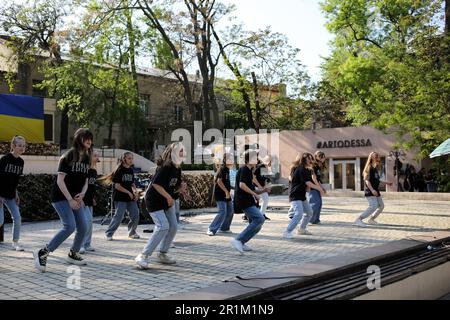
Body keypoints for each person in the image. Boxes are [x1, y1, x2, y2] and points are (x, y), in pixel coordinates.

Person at [33, 128, 92, 272]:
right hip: (61, 197)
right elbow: (60, 181)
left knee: (83, 226)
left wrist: (82, 194)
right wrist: (70, 199)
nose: (89, 141)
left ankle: (73, 253)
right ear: (79, 139)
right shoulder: (68, 156)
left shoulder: (87, 158)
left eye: (90, 138)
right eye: (86, 138)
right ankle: (43, 252)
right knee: (70, 226)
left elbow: (86, 180)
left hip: (75, 198)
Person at [135, 142, 188, 269]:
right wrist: (169, 196)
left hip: (166, 201)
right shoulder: (166, 167)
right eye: (180, 151)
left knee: (173, 226)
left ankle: (162, 253)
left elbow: (172, 187)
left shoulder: (177, 168)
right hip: (154, 201)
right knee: (163, 226)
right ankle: (143, 255)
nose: (183, 153)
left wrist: (181, 190)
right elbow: (156, 185)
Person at [230, 150, 269, 254]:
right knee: (260, 218)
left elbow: (251, 188)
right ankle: (238, 239)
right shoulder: (244, 169)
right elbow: (242, 185)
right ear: (249, 159)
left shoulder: (249, 171)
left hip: (248, 200)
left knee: (258, 224)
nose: (257, 159)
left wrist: (262, 191)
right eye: (255, 157)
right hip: (243, 200)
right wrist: (255, 194)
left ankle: (242, 242)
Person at [283, 153, 324, 239]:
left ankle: (302, 229)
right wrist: (319, 188)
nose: (311, 160)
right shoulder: (300, 169)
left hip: (302, 195)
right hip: (295, 194)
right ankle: (287, 231)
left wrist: (308, 190)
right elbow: (307, 182)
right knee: (299, 213)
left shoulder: (307, 169)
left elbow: (308, 183)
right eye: (309, 159)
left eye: (311, 158)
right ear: (304, 160)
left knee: (309, 212)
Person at [101, 152, 140, 241]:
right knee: (119, 216)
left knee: (135, 214)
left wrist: (135, 192)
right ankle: (109, 233)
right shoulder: (119, 170)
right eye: (129, 158)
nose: (131, 160)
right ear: (124, 159)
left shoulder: (130, 170)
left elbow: (132, 183)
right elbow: (117, 186)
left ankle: (132, 232)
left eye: (132, 158)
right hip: (120, 197)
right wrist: (128, 193)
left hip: (130, 197)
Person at [0, 135, 26, 251]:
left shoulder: (21, 162)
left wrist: (16, 194)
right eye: (19, 145)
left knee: (17, 217)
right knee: (0, 220)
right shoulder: (4, 159)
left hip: (11, 195)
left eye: (23, 145)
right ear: (13, 146)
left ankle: (15, 243)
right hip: (0, 195)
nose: (22, 147)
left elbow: (15, 180)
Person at [354, 152, 393, 227]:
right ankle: (359, 219)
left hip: (376, 190)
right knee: (373, 206)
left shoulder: (375, 168)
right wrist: (372, 190)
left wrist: (387, 183)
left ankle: (371, 219)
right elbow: (366, 180)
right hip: (370, 190)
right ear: (372, 158)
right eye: (376, 157)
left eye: (378, 156)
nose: (378, 158)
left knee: (381, 206)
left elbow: (377, 180)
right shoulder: (369, 167)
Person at [207, 153, 234, 236]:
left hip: (227, 194)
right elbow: (218, 181)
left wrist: (232, 189)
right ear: (225, 160)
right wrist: (226, 191)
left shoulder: (227, 170)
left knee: (230, 211)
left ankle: (224, 228)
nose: (232, 161)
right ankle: (211, 228)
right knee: (222, 212)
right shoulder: (222, 169)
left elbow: (226, 182)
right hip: (220, 194)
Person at [80, 150, 100, 254]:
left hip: (89, 200)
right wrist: (81, 198)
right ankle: (80, 244)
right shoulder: (84, 170)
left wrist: (92, 198)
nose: (97, 158)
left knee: (90, 222)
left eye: (98, 156)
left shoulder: (94, 171)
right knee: (85, 222)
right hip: (82, 200)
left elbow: (91, 187)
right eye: (95, 155)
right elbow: (80, 185)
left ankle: (87, 244)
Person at [309, 151, 327, 225]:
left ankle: (316, 219)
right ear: (316, 157)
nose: (323, 157)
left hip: (316, 186)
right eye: (320, 156)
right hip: (312, 187)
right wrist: (319, 188)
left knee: (319, 203)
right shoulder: (314, 165)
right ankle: (309, 219)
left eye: (323, 156)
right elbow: (314, 178)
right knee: (314, 203)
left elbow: (318, 179)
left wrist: (322, 188)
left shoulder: (319, 166)